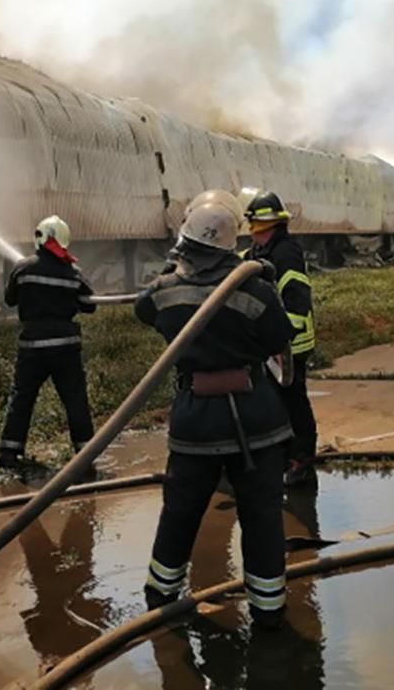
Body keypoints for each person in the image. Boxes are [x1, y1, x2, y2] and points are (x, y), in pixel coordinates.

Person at [136, 189, 295, 628]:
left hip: (195, 423)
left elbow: (143, 311)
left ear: (186, 237)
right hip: (256, 420)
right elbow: (276, 338)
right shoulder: (257, 290)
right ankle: (268, 613)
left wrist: (174, 273)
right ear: (231, 242)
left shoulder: (164, 291)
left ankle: (161, 597)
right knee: (262, 516)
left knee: (180, 512)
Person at [0, 215, 97, 479]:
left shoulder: (22, 268)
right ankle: (85, 457)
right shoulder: (73, 273)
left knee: (22, 398)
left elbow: (10, 299)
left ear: (41, 237)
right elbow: (89, 305)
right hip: (65, 348)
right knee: (75, 402)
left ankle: (9, 453)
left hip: (32, 347)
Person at [242, 190, 320, 488]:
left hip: (291, 344)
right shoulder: (262, 251)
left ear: (270, 227)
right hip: (274, 344)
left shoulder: (286, 252)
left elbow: (297, 298)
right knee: (275, 402)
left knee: (293, 401)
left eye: (257, 230)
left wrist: (284, 342)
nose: (253, 236)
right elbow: (244, 261)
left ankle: (302, 462)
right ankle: (285, 456)